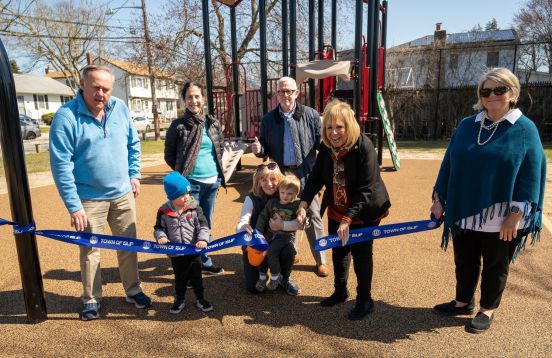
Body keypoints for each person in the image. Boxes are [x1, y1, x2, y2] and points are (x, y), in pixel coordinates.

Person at [430, 67, 546, 334]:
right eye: (486, 91)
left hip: (503, 216)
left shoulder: (524, 129)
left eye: (499, 89)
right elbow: (449, 163)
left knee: (495, 264)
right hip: (464, 209)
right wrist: (439, 198)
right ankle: (462, 302)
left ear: (512, 92)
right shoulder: (467, 125)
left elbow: (532, 172)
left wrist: (516, 213)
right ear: (480, 95)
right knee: (465, 260)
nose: (492, 95)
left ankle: (487, 309)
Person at [49, 64, 152, 321]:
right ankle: (92, 299)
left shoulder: (119, 107)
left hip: (122, 194)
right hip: (89, 199)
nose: (101, 94)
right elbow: (61, 165)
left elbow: (132, 144)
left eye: (106, 89)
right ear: (82, 84)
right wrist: (74, 206)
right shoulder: (66, 117)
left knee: (128, 246)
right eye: (96, 88)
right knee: (91, 250)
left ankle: (133, 290)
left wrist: (134, 174)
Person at [297, 100, 391, 321]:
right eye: (329, 128)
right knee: (339, 250)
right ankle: (340, 291)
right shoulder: (327, 148)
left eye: (339, 127)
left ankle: (364, 300)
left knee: (361, 254)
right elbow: (315, 179)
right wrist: (302, 205)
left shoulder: (363, 146)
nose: (334, 133)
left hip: (364, 210)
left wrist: (348, 219)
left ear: (349, 126)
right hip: (338, 209)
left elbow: (366, 189)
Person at [251, 76, 329, 277]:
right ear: (276, 94)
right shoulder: (269, 120)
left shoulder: (311, 115)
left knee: (313, 216)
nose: (285, 95)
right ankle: (290, 253)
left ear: (297, 93)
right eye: (281, 91)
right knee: (285, 213)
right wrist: (259, 151)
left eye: (289, 91)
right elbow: (265, 150)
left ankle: (321, 260)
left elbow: (322, 144)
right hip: (282, 176)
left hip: (307, 174)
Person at [165, 81, 225, 275]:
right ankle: (191, 267)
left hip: (212, 182)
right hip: (191, 184)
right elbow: (169, 155)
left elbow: (219, 148)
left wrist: (216, 174)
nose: (193, 101)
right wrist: (184, 173)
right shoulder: (178, 125)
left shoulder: (213, 123)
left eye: (197, 96)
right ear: (184, 100)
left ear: (203, 98)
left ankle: (204, 260)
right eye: (189, 97)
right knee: (189, 225)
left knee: (205, 222)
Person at [236, 162, 300, 295]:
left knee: (288, 251)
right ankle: (261, 276)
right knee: (252, 288)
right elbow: (243, 220)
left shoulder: (287, 194)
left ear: (280, 180)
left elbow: (304, 224)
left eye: (273, 179)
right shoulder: (251, 198)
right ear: (258, 181)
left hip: (280, 239)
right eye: (264, 179)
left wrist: (283, 225)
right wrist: (243, 226)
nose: (269, 184)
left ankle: (284, 278)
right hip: (256, 244)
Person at [154, 172, 213, 314]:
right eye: (182, 195)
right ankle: (179, 300)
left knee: (196, 278)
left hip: (194, 251)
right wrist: (161, 237)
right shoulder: (164, 211)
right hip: (176, 254)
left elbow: (203, 225)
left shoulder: (194, 207)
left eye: (188, 192)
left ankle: (200, 299)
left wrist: (203, 239)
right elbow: (158, 228)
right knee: (180, 279)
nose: (187, 197)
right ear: (172, 196)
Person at [255, 174, 302, 292]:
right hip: (271, 233)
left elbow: (305, 220)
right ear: (279, 191)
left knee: (272, 251)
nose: (285, 196)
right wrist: (258, 232)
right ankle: (262, 276)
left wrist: (302, 216)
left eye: (289, 193)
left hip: (285, 236)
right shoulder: (273, 203)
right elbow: (263, 216)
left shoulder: (297, 205)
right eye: (283, 192)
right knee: (261, 249)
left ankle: (276, 276)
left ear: (296, 193)